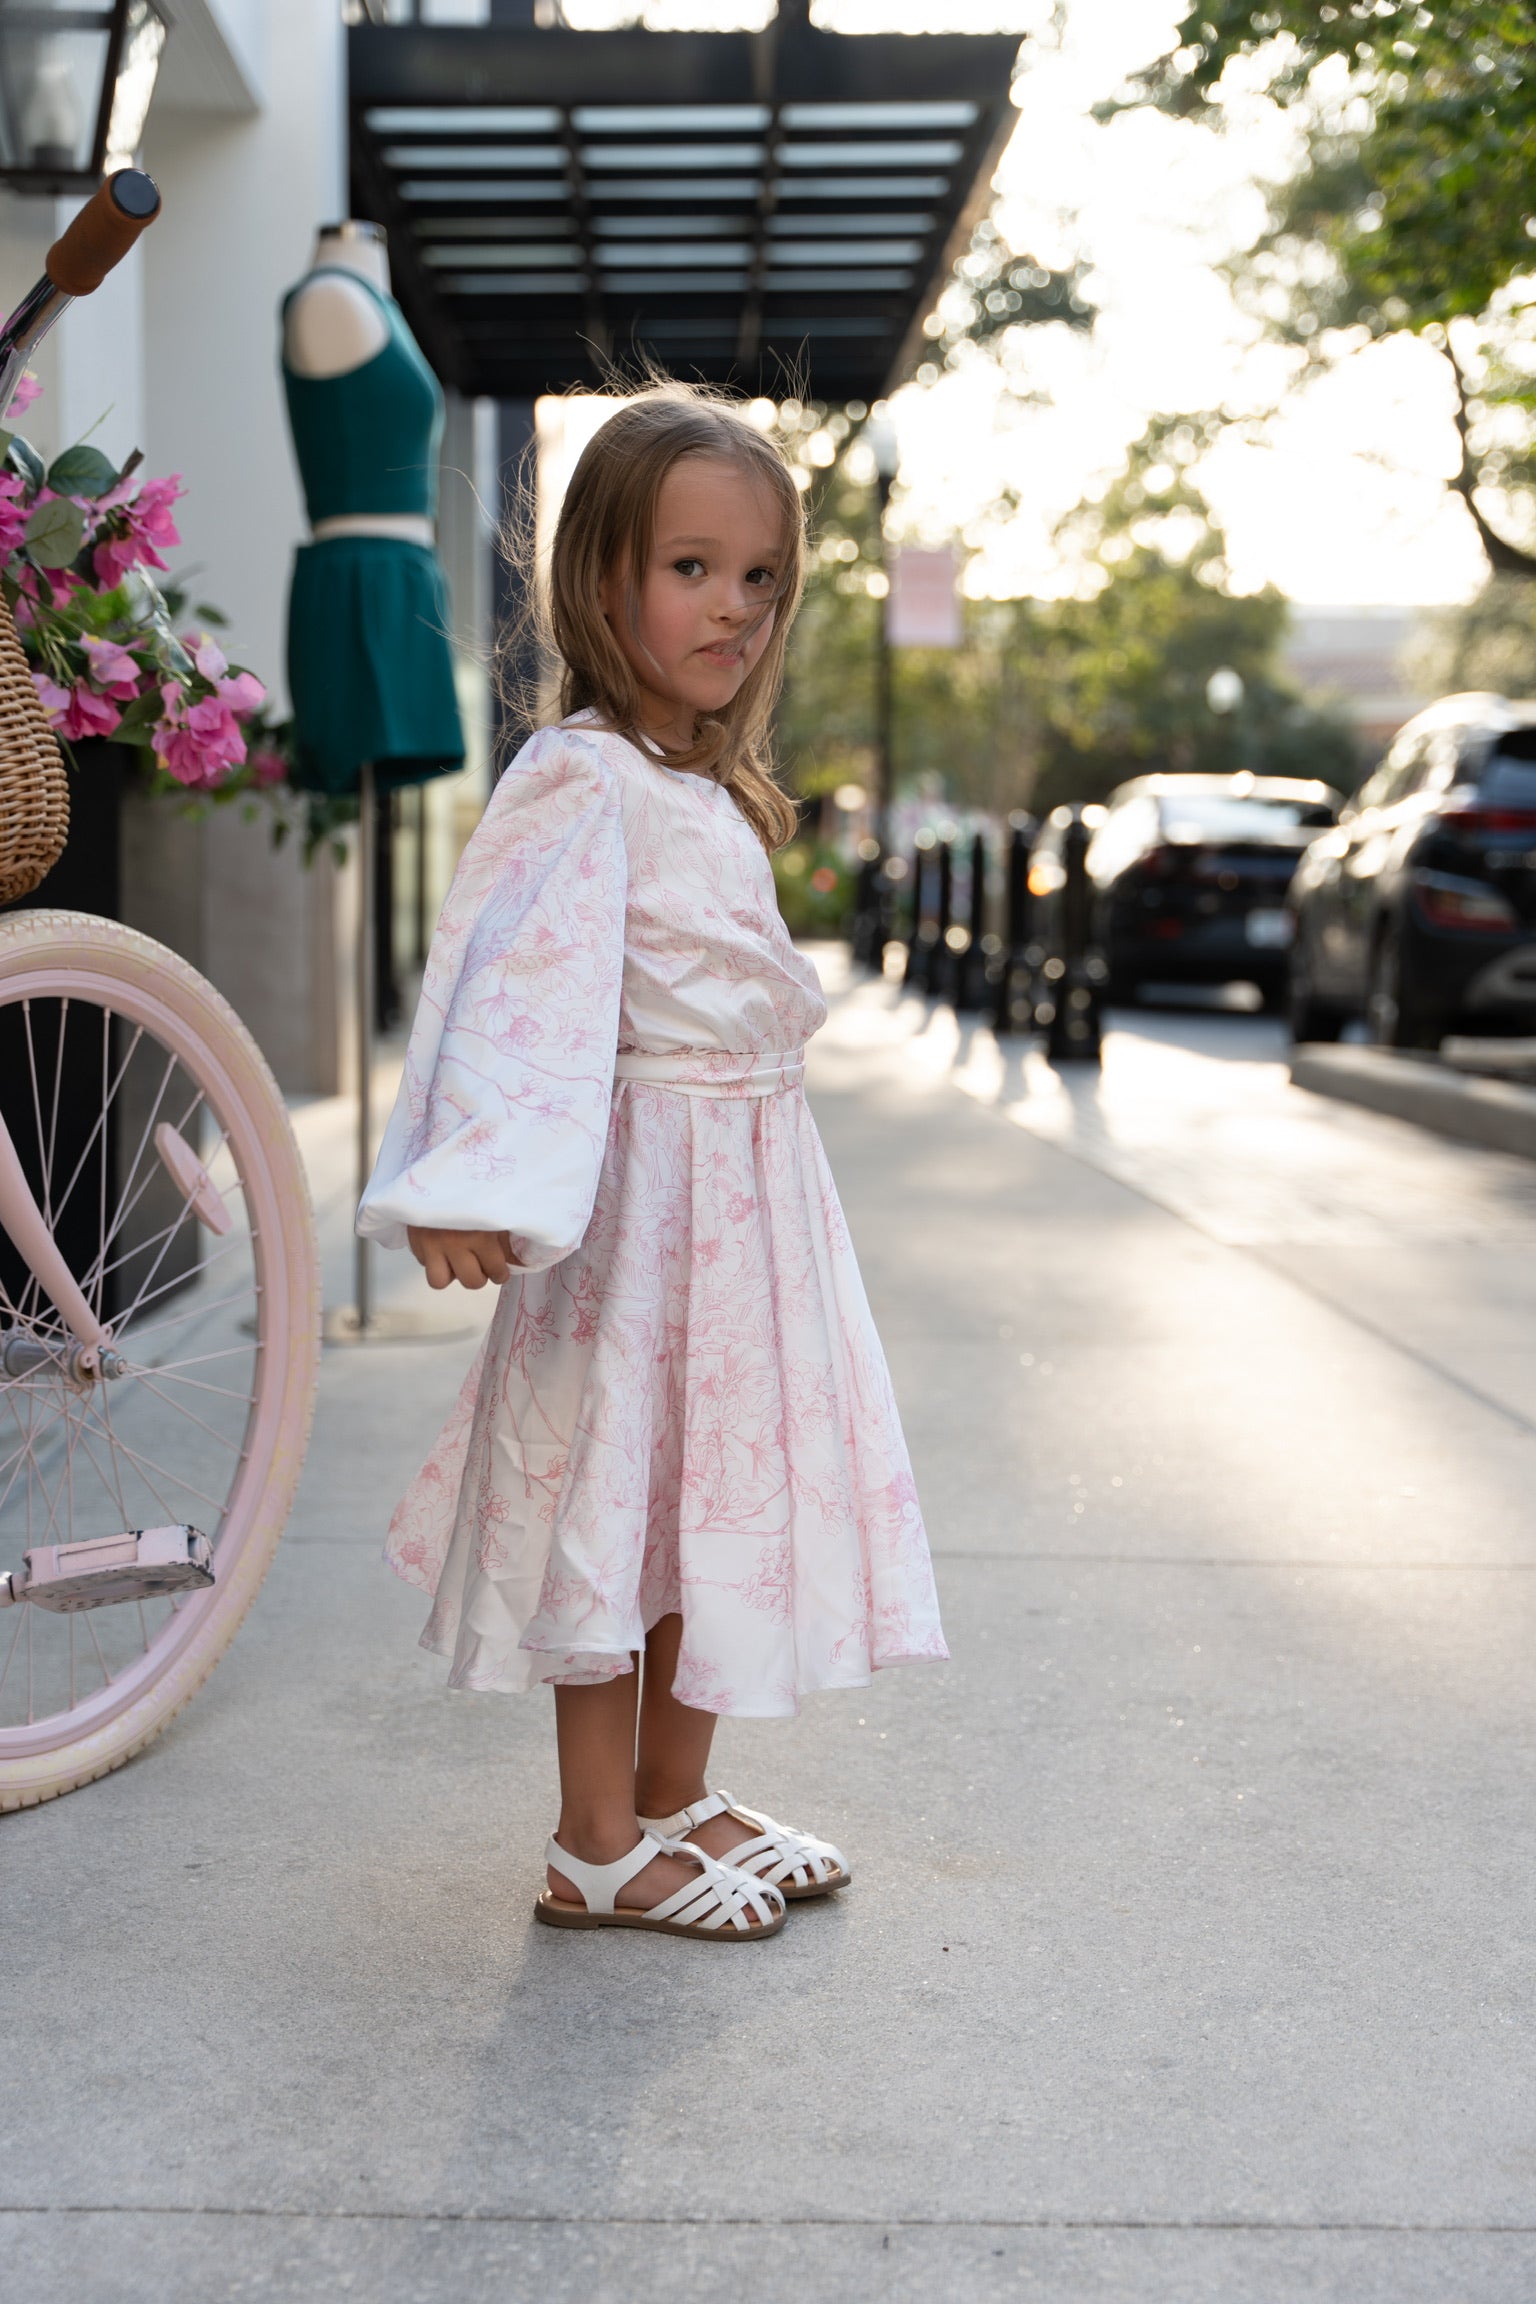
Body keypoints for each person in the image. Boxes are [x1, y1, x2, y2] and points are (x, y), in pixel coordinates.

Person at [359, 381, 947, 1941]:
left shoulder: (703, 787)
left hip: (747, 1210)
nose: (734, 610)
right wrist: (479, 1178)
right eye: (693, 568)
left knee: (707, 1500)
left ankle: (678, 1796)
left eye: (761, 580)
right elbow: (513, 984)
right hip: (640, 1218)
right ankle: (595, 1836)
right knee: (620, 1505)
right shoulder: (582, 778)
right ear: (600, 577)